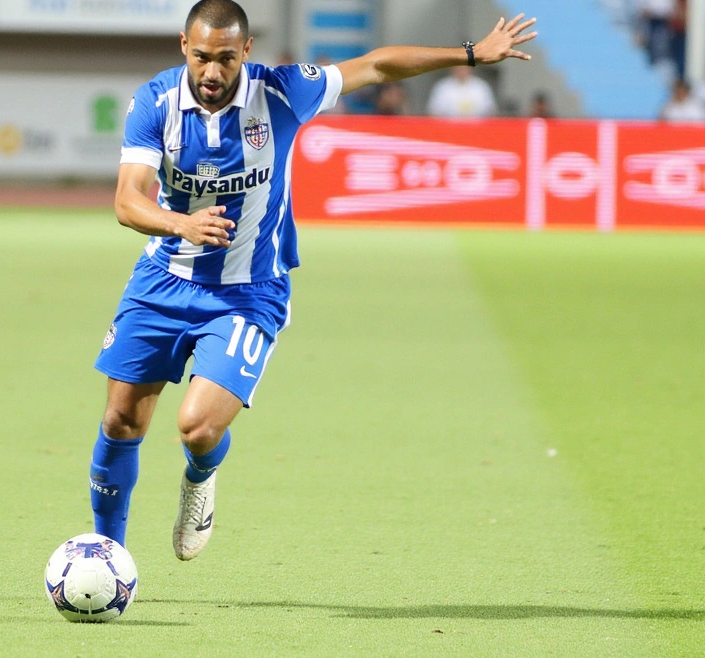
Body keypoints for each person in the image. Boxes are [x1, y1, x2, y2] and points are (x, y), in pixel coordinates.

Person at [91, 0, 537, 557]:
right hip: (162, 281)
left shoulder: (280, 92)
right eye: (201, 57)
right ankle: (106, 556)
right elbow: (127, 200)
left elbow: (376, 66)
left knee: (198, 428)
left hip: (249, 293)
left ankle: (201, 477)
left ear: (246, 52)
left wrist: (469, 55)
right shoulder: (155, 103)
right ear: (184, 47)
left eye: (225, 59)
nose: (211, 72)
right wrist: (181, 223)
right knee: (121, 418)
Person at [426, 66, 497, 118]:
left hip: (477, 128)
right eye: (459, 67)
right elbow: (433, 112)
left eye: (465, 68)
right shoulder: (442, 87)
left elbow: (491, 111)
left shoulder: (481, 86)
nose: (462, 70)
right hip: (449, 128)